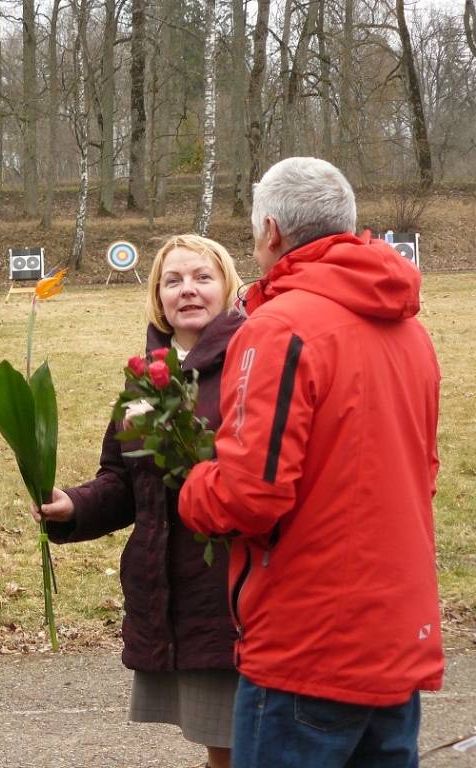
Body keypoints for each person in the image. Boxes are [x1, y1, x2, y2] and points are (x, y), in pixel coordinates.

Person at [179, 157, 443, 767]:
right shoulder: (410, 332)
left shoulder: (280, 328)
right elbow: (421, 475)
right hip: (395, 637)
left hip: (309, 645)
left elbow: (250, 494)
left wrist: (193, 486)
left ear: (271, 231)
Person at [35, 234, 244, 768]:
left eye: (202, 277)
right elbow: (124, 481)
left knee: (239, 746)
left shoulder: (251, 365)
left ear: (228, 287)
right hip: (170, 593)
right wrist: (74, 506)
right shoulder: (146, 378)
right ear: (157, 297)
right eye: (172, 281)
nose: (188, 290)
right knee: (221, 747)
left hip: (232, 595)